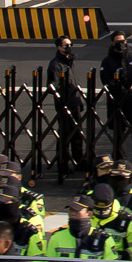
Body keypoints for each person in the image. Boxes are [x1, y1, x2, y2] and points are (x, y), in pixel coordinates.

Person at [45, 37, 84, 180]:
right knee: (65, 135)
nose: (69, 47)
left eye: (70, 44)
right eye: (65, 45)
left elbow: (74, 81)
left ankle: (79, 161)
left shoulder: (70, 62)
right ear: (58, 47)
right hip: (64, 104)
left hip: (74, 102)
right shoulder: (55, 65)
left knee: (77, 135)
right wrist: (61, 91)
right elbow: (52, 86)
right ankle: (63, 164)